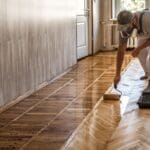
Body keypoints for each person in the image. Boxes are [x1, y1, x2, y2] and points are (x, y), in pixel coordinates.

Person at [114, 9, 150, 87]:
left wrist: (139, 48)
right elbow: (121, 50)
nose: (125, 31)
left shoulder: (147, 19)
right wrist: (117, 74)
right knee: (140, 53)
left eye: (127, 28)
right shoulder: (123, 29)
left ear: (134, 21)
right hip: (145, 33)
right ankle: (148, 74)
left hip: (147, 28)